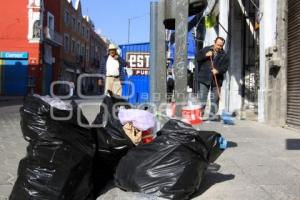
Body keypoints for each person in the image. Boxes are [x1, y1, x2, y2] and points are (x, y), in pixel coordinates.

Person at [197, 37, 229, 120]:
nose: (219, 47)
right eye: (218, 45)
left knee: (215, 99)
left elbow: (225, 67)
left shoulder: (224, 55)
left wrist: (217, 71)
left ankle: (212, 116)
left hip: (217, 80)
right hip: (204, 77)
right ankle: (200, 115)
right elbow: (197, 58)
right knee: (202, 98)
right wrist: (205, 55)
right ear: (214, 42)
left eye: (221, 46)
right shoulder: (206, 49)